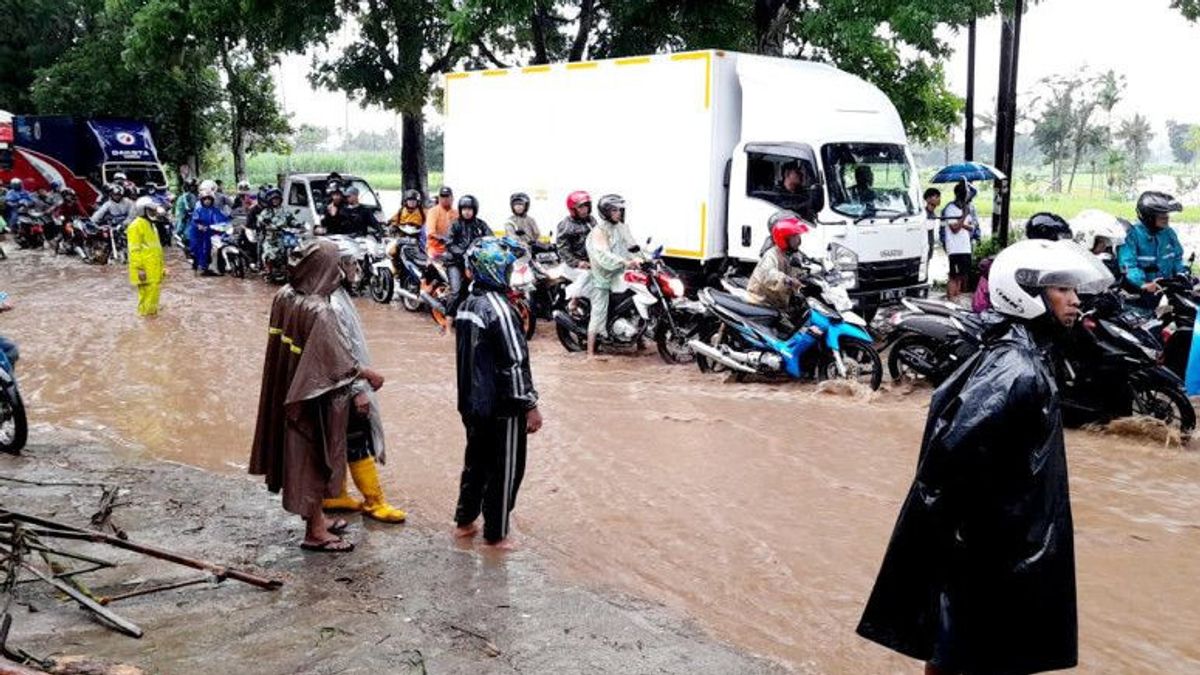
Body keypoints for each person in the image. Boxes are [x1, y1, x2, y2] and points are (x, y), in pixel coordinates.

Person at [857, 238, 1113, 675]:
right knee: (970, 652)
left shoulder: (1020, 356)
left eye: (1074, 290)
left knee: (964, 649)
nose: (1075, 300)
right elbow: (950, 463)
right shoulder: (1015, 370)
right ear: (1028, 294)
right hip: (991, 553)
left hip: (997, 548)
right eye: (1061, 290)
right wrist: (969, 548)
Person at [250, 239, 361, 553]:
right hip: (313, 397)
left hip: (287, 387)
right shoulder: (320, 311)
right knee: (313, 457)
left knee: (299, 456)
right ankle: (315, 532)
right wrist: (366, 380)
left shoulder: (284, 295)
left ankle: (318, 518)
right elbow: (339, 365)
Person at [452, 237, 543, 549]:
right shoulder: (501, 310)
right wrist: (529, 404)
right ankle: (496, 534)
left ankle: (465, 522)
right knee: (505, 470)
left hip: (472, 404)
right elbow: (514, 363)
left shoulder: (467, 305)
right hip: (501, 407)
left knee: (476, 462)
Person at [321, 240, 407, 523]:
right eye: (350, 264)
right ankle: (374, 502)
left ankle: (335, 493)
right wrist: (360, 389)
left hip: (333, 386)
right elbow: (342, 353)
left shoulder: (330, 295)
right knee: (358, 440)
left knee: (338, 439)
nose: (356, 269)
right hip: (345, 387)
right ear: (338, 268)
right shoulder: (333, 304)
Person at [584, 194, 639, 358]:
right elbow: (603, 255)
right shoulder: (599, 231)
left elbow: (633, 246)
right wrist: (624, 262)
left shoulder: (622, 227)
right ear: (606, 212)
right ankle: (590, 354)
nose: (619, 213)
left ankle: (640, 340)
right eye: (615, 210)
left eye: (620, 210)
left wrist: (645, 258)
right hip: (602, 276)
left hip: (621, 274)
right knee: (598, 312)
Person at [1117, 191, 1186, 295]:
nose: (1166, 218)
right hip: (1143, 292)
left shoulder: (1168, 233)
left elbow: (1177, 257)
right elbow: (1128, 265)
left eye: (1166, 214)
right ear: (1148, 216)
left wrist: (1182, 274)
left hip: (1168, 287)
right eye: (1161, 215)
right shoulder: (1132, 235)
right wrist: (1142, 284)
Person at [747, 212, 810, 319]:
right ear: (783, 238)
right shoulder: (771, 254)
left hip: (781, 301)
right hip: (763, 303)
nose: (799, 240)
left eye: (798, 236)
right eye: (795, 236)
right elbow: (769, 275)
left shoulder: (791, 253)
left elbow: (802, 265)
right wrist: (789, 280)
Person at [445, 195, 492, 318]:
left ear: (474, 210)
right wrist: (462, 252)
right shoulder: (455, 225)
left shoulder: (481, 225)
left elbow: (490, 239)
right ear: (460, 210)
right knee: (455, 291)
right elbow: (449, 242)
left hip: (474, 263)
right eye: (464, 209)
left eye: (470, 209)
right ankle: (447, 321)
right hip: (455, 262)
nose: (467, 212)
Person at [127, 197, 166, 317]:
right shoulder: (135, 226)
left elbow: (155, 248)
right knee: (147, 297)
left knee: (152, 295)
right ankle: (147, 320)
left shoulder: (151, 225)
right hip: (145, 269)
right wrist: (140, 269)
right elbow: (134, 250)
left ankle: (150, 317)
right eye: (150, 209)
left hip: (153, 267)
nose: (154, 212)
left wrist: (162, 267)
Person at [942, 180, 976, 302]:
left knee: (962, 275)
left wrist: (961, 222)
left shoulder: (967, 208)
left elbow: (971, 227)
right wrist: (963, 217)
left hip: (965, 247)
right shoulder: (950, 209)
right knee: (954, 275)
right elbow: (954, 229)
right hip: (955, 248)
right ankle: (950, 298)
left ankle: (957, 297)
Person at [190, 189, 229, 276]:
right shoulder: (198, 210)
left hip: (214, 233)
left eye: (209, 199)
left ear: (212, 200)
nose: (207, 201)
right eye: (205, 199)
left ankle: (218, 266)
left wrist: (227, 223)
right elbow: (195, 221)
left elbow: (224, 219)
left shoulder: (216, 210)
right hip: (202, 235)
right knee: (203, 249)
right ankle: (202, 266)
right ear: (202, 200)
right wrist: (200, 226)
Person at [424, 186, 457, 259]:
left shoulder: (457, 213)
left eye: (447, 196)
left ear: (452, 198)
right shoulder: (432, 211)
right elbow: (431, 232)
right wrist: (444, 239)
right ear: (439, 198)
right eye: (442, 196)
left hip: (453, 248)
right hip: (436, 248)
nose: (445, 199)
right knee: (432, 266)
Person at [174, 178, 199, 245]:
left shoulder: (182, 196)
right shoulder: (189, 196)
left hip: (183, 215)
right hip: (186, 215)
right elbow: (190, 207)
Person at [924, 187, 942, 259]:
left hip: (930, 244)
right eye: (936, 197)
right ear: (928, 199)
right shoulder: (923, 213)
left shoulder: (932, 213)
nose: (939, 199)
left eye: (939, 197)